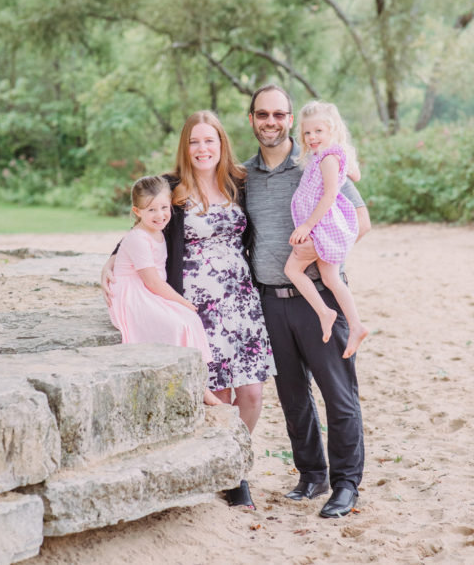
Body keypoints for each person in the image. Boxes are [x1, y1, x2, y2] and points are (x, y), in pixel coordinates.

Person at [103, 111, 276, 510]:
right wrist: (111, 259)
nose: (202, 149)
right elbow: (142, 227)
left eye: (209, 141)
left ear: (221, 144)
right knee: (215, 391)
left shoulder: (239, 183)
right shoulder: (171, 189)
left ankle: (235, 455)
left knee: (250, 391)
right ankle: (234, 477)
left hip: (241, 298)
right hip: (197, 302)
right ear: (186, 146)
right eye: (195, 142)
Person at [244, 84, 371, 519]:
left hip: (319, 298)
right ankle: (312, 474)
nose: (272, 122)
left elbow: (361, 221)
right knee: (293, 397)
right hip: (268, 300)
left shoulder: (316, 160)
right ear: (252, 120)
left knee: (338, 396)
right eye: (263, 115)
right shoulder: (246, 175)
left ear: (291, 120)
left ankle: (345, 484)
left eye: (280, 114)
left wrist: (319, 251)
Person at [107, 175, 222, 407]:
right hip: (133, 293)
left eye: (164, 207)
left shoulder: (158, 232)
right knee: (179, 323)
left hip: (149, 289)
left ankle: (200, 382)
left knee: (190, 319)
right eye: (151, 210)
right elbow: (152, 282)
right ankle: (199, 387)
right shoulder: (138, 238)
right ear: (137, 211)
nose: (160, 215)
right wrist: (182, 302)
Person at [285, 101, 369, 357]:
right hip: (326, 226)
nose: (311, 138)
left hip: (321, 226)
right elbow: (355, 174)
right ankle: (356, 325)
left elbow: (330, 193)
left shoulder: (327, 158)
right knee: (331, 278)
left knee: (292, 269)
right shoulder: (331, 154)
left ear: (332, 130)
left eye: (318, 131)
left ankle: (325, 312)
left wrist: (307, 225)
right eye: (307, 133)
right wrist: (348, 163)